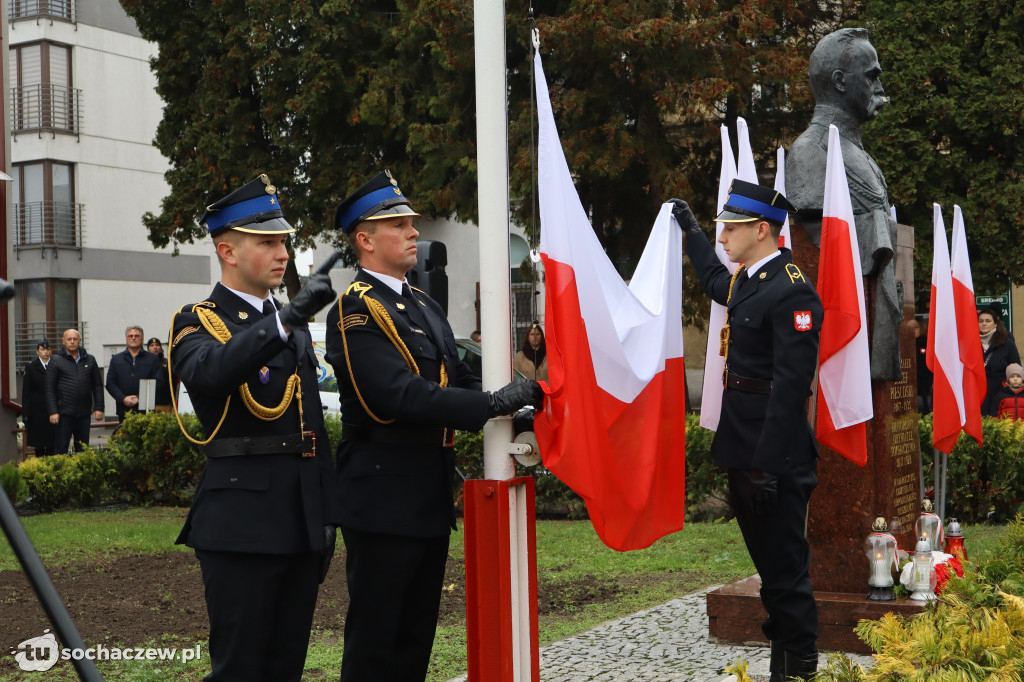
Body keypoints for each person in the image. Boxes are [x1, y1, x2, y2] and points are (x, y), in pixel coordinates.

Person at [325, 170, 543, 682]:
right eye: (398, 225)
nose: (413, 232)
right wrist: (489, 403)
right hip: (381, 495)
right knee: (377, 640)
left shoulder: (421, 304)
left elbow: (458, 375)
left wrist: (513, 407)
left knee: (415, 638)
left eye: (410, 223)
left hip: (425, 490)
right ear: (365, 240)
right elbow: (394, 395)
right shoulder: (357, 309)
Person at [168, 174, 341, 682]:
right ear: (227, 250)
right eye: (266, 242)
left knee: (286, 666)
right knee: (241, 669)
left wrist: (329, 510)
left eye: (283, 241)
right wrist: (285, 320)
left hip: (302, 518)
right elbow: (209, 373)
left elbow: (311, 422)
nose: (282, 252)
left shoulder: (289, 320)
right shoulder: (196, 320)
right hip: (241, 521)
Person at [670, 180, 823, 682]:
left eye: (730, 229)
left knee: (785, 571)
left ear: (762, 230)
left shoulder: (792, 287)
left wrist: (769, 466)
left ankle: (798, 667)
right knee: (771, 568)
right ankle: (784, 658)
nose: (723, 237)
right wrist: (690, 231)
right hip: (745, 448)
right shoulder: (749, 278)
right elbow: (715, 279)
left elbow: (790, 387)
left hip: (772, 458)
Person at [787, 27, 901, 382]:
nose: (880, 87)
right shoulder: (811, 151)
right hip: (845, 332)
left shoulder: (859, 154)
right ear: (839, 81)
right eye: (871, 76)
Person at [45, 328, 105, 454]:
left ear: (80, 341)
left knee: (82, 451)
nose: (72, 342)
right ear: (63, 341)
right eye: (69, 339)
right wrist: (53, 411)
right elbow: (49, 388)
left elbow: (97, 385)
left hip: (83, 414)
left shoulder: (90, 360)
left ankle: (82, 474)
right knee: (60, 451)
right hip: (63, 415)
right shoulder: (56, 360)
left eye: (75, 339)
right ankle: (60, 474)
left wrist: (99, 407)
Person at [105, 325, 161, 422]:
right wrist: (123, 398)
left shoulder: (153, 359)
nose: (133, 338)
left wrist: (140, 398)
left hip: (146, 410)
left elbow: (159, 382)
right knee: (125, 437)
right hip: (123, 410)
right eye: (130, 336)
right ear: (126, 338)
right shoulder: (116, 359)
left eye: (137, 336)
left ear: (142, 339)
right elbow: (110, 383)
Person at [979, 302, 1020, 416]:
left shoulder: (1007, 343)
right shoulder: (971, 344)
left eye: (988, 321)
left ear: (995, 323)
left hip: (1000, 397)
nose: (984, 324)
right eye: (981, 321)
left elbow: (1016, 369)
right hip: (976, 396)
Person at [22, 339, 57, 455]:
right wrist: (26, 414)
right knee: (40, 447)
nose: (45, 352)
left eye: (47, 349)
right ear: (37, 352)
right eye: (42, 349)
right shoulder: (31, 367)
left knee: (53, 445)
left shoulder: (56, 365)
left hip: (54, 410)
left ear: (50, 351)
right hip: (37, 413)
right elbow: (26, 392)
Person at [146, 337, 175, 413]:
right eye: (152, 345)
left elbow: (173, 382)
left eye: (157, 345)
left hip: (166, 402)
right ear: (148, 348)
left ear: (161, 348)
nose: (155, 347)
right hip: (149, 403)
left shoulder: (168, 362)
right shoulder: (144, 363)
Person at [910, 319, 933, 414]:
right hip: (911, 390)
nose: (913, 330)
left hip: (926, 389)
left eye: (915, 327)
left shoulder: (928, 344)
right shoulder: (904, 346)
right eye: (910, 328)